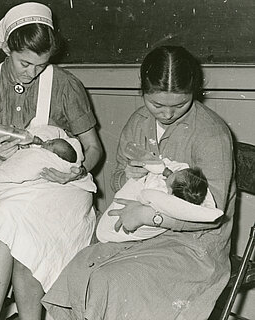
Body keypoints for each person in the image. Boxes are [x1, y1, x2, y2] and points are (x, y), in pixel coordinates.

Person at [42, 45, 235, 319]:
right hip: (138, 232)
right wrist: (128, 175)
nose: (167, 114)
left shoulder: (211, 134)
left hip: (193, 245)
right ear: (142, 91)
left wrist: (150, 215)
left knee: (111, 280)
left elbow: (211, 216)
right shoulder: (138, 122)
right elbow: (118, 177)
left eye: (180, 104)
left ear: (195, 92)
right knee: (79, 269)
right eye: (156, 104)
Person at [0, 2, 103, 319]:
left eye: (41, 65)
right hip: (6, 183)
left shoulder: (66, 85)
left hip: (61, 186)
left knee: (12, 217)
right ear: (7, 48)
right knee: (12, 213)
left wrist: (76, 171)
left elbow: (94, 149)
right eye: (25, 63)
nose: (33, 72)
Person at [0, 125, 96, 266]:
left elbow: (93, 148)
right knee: (1, 214)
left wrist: (75, 172)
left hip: (63, 183)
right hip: (9, 180)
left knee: (7, 214)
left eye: (51, 143)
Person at [96, 158, 224, 243]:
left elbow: (144, 196)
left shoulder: (162, 194)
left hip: (140, 226)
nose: (169, 173)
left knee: (105, 232)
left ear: (170, 192)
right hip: (132, 215)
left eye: (171, 177)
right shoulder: (183, 177)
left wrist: (150, 178)